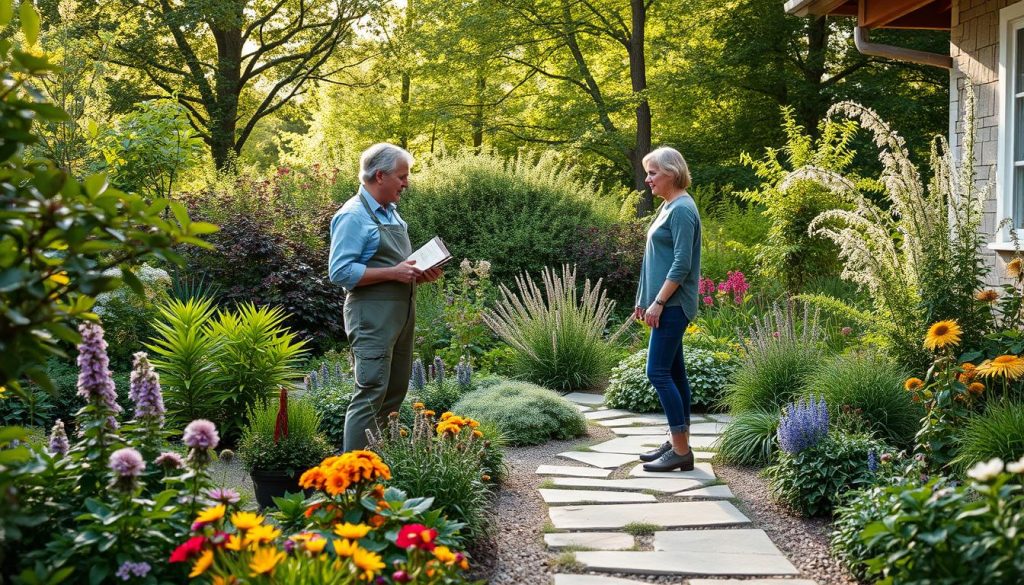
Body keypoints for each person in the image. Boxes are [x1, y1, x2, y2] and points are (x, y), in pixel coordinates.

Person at [328, 143, 442, 451]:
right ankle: (353, 483)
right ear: (380, 176)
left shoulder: (391, 214)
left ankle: (379, 470)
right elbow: (340, 272)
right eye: (402, 176)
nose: (406, 183)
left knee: (394, 393)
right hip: (371, 317)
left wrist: (418, 273)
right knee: (370, 394)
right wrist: (393, 273)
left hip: (401, 316)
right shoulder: (352, 216)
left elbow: (396, 266)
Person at [633, 146, 701, 472]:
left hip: (673, 304)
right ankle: (678, 441)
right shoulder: (668, 207)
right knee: (675, 373)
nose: (648, 180)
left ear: (672, 173)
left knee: (656, 372)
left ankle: (681, 450)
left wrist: (658, 303)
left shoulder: (683, 210)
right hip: (662, 302)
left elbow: (682, 264)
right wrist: (642, 300)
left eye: (653, 173)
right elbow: (654, 260)